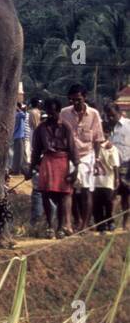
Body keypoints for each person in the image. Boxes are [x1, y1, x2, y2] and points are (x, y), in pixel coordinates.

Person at [59, 84, 104, 231]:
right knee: (68, 190)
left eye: (78, 99)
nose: (75, 103)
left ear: (84, 98)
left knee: (85, 190)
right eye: (72, 100)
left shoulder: (94, 114)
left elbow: (97, 139)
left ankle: (84, 225)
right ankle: (71, 223)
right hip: (69, 155)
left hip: (87, 156)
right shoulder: (64, 113)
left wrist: (97, 160)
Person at [31, 97, 75, 237]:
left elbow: (73, 149)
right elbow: (36, 150)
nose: (51, 116)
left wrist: (76, 169)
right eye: (49, 113)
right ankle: (50, 225)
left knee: (62, 195)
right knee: (45, 194)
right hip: (47, 162)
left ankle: (61, 227)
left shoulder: (66, 126)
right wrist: (31, 167)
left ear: (59, 112)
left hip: (62, 161)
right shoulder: (41, 128)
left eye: (54, 113)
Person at [108, 101, 130, 230]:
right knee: (111, 194)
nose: (110, 118)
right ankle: (111, 222)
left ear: (119, 113)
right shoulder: (108, 128)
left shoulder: (128, 125)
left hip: (127, 164)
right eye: (108, 116)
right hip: (112, 165)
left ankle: (125, 223)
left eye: (112, 115)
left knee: (126, 195)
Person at [92, 137, 120, 232]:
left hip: (107, 180)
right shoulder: (94, 146)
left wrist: (116, 178)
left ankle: (110, 221)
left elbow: (115, 164)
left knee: (108, 202)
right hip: (95, 181)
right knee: (97, 204)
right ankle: (100, 225)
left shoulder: (111, 148)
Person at [11, 86, 31, 177]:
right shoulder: (18, 114)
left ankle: (24, 169)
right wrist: (18, 108)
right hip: (18, 136)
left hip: (21, 136)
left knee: (23, 154)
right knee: (18, 155)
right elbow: (23, 114)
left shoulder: (18, 114)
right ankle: (17, 170)